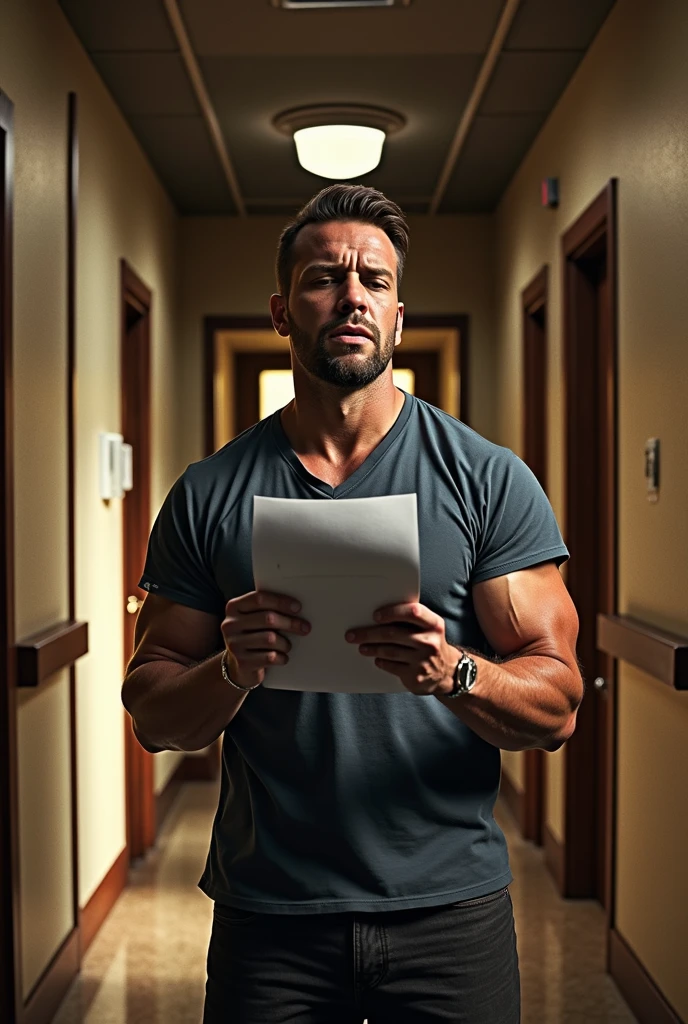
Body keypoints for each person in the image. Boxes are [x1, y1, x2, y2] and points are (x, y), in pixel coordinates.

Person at [123, 184, 582, 1024]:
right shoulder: (210, 493)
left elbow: (557, 707)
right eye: (324, 278)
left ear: (399, 317)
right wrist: (232, 668)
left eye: (374, 279)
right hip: (272, 913)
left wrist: (455, 670)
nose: (352, 296)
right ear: (281, 310)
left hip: (449, 908)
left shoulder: (485, 479)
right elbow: (153, 714)